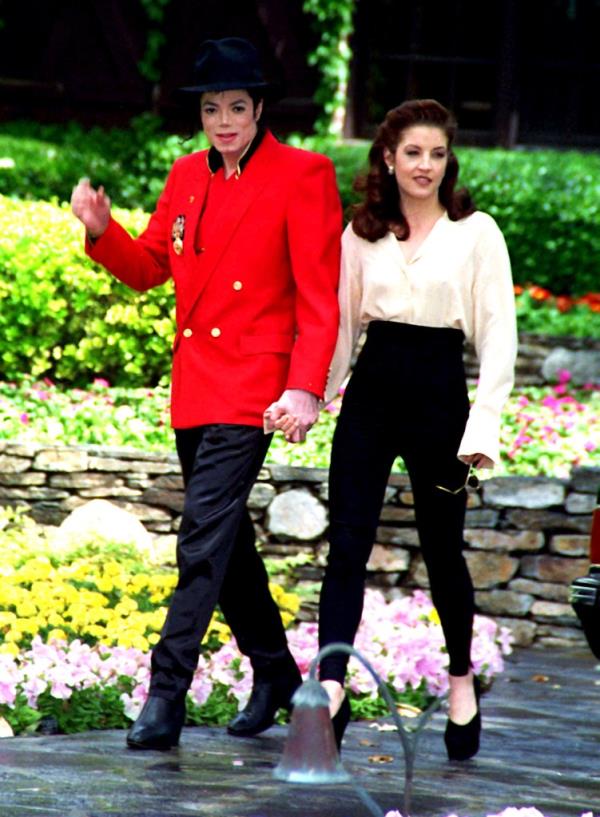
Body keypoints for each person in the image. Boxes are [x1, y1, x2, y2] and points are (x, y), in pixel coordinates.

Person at [71, 37, 341, 750]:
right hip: (196, 386)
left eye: (237, 107)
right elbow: (151, 266)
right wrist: (103, 232)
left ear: (259, 109)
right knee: (225, 544)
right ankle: (279, 672)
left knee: (199, 540)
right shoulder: (186, 175)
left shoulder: (303, 174)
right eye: (212, 108)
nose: (224, 121)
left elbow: (320, 297)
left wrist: (305, 387)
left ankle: (166, 695)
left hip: (256, 389)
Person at [317, 99, 517, 759]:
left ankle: (461, 677)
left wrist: (481, 425)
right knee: (346, 542)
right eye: (412, 153)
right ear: (387, 158)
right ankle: (330, 684)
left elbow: (498, 335)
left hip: (440, 395)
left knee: (443, 548)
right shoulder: (360, 234)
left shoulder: (477, 232)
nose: (424, 165)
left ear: (447, 158)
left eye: (436, 153)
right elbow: (344, 331)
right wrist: (311, 397)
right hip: (373, 390)